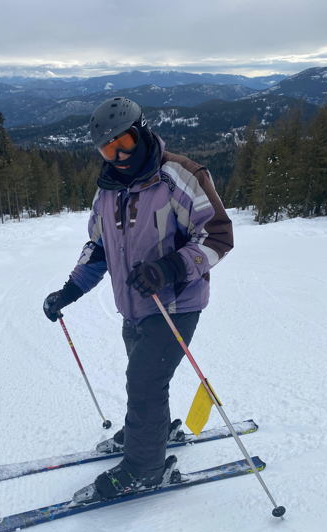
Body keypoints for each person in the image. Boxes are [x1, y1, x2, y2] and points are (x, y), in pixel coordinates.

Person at [43, 97, 233, 499]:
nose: (118, 156)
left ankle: (145, 468)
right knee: (147, 379)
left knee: (144, 380)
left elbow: (217, 236)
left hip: (176, 304)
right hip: (134, 308)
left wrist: (170, 268)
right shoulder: (107, 191)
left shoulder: (179, 176)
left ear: (142, 133)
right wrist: (69, 291)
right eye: (107, 149)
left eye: (124, 144)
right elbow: (98, 249)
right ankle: (151, 432)